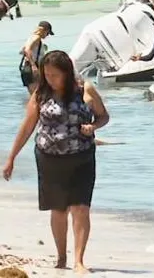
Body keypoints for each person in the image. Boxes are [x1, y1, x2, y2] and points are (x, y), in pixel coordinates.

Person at [3, 50, 109, 273]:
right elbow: (27, 127)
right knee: (59, 210)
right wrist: (11, 157)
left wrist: (94, 127)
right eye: (47, 75)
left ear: (67, 73)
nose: (50, 79)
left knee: (81, 208)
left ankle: (79, 260)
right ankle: (61, 258)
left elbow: (103, 116)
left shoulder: (84, 89)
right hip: (49, 159)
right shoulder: (41, 94)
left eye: (54, 75)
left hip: (82, 157)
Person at [19, 21, 53, 92]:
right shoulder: (37, 38)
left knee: (33, 94)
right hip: (32, 69)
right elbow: (27, 50)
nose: (47, 35)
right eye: (47, 33)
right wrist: (33, 66)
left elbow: (22, 51)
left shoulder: (31, 37)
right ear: (44, 30)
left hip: (26, 68)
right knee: (37, 94)